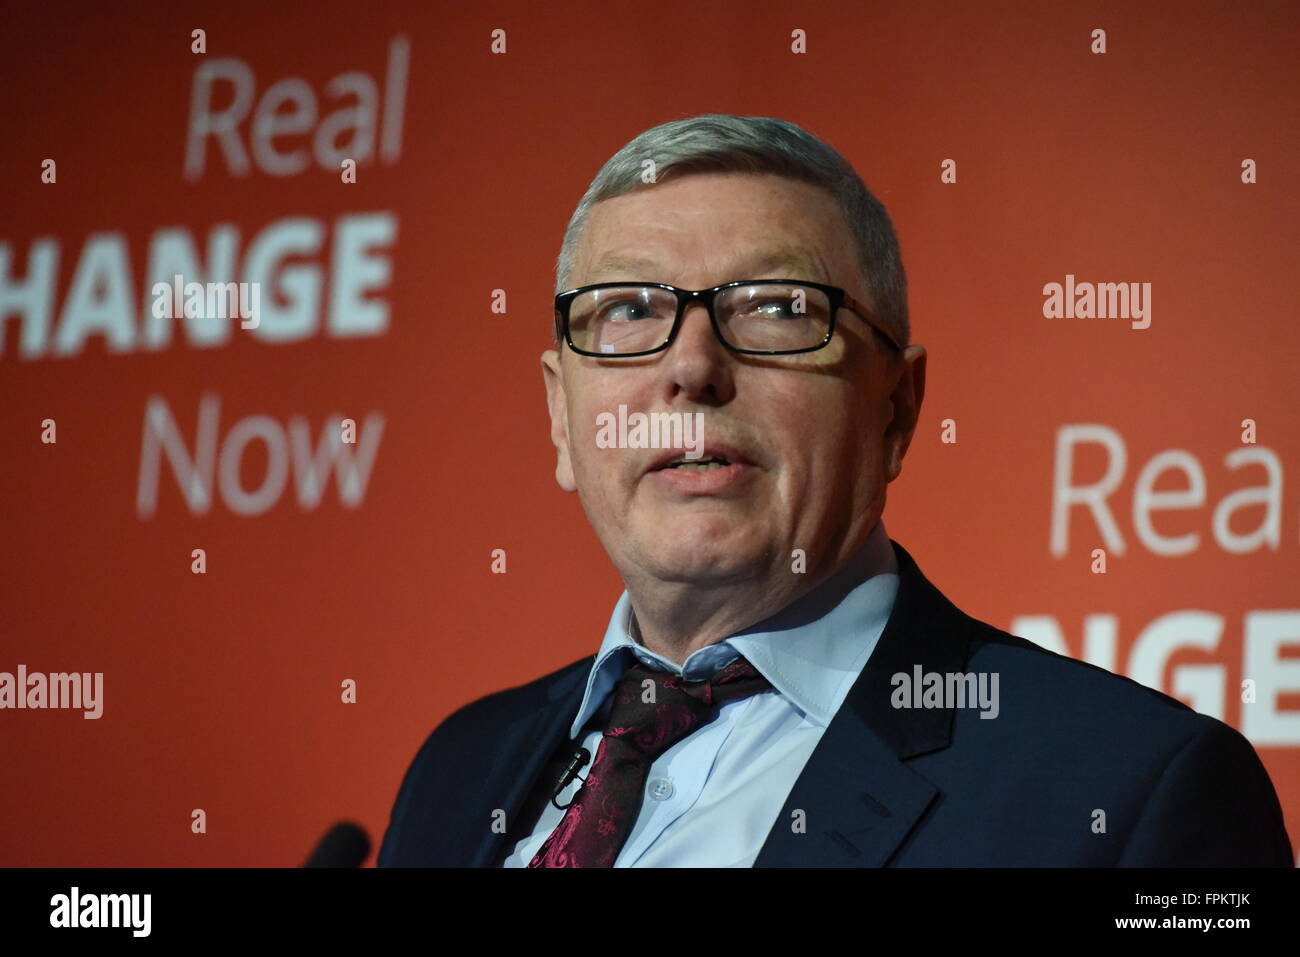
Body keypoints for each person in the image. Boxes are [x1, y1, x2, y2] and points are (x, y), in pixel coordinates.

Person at [378, 114, 1293, 867]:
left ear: (895, 408)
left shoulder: (1127, 791)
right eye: (629, 312)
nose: (692, 365)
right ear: (559, 417)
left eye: (776, 308)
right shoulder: (460, 769)